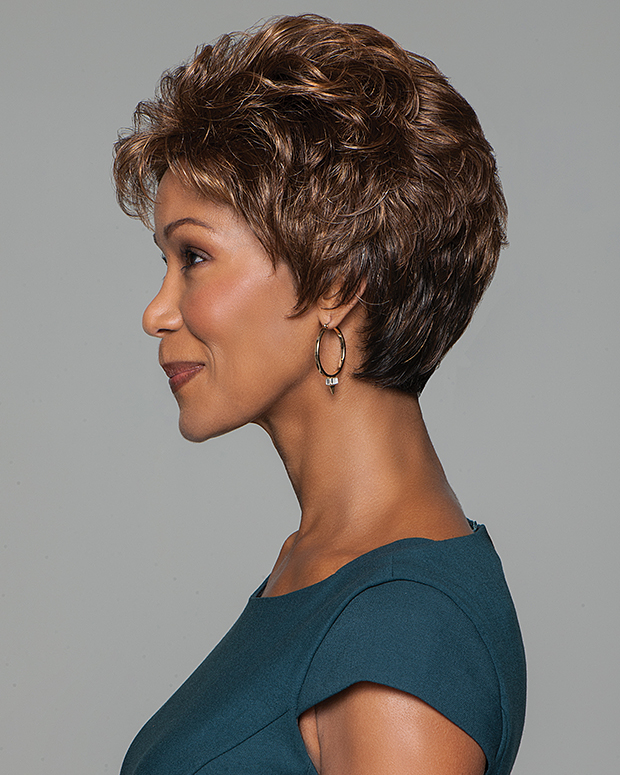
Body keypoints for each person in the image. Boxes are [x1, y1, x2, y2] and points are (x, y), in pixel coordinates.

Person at [113, 14, 526, 775]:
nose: (157, 312)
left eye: (194, 256)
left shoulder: (405, 631)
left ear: (336, 283)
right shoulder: (320, 568)